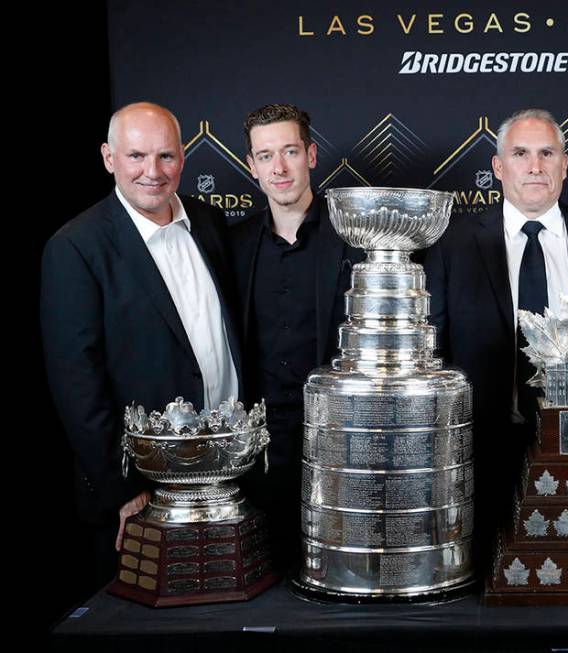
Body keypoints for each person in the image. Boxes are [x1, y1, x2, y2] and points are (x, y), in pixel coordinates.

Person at [40, 102, 242, 587]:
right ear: (109, 158)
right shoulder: (76, 247)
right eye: (136, 157)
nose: (152, 172)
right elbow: (76, 383)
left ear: (183, 159)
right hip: (142, 497)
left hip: (226, 479)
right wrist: (123, 489)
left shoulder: (210, 225)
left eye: (166, 157)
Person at [424, 108, 568, 564]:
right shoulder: (451, 241)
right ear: (499, 168)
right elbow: (433, 350)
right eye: (520, 154)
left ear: (564, 164)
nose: (534, 166)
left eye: (546, 153)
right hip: (480, 447)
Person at [231, 104, 363, 569]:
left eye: (289, 151)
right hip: (258, 448)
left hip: (343, 441)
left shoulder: (355, 233)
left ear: (310, 154)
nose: (279, 168)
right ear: (251, 165)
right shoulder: (233, 243)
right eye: (265, 156)